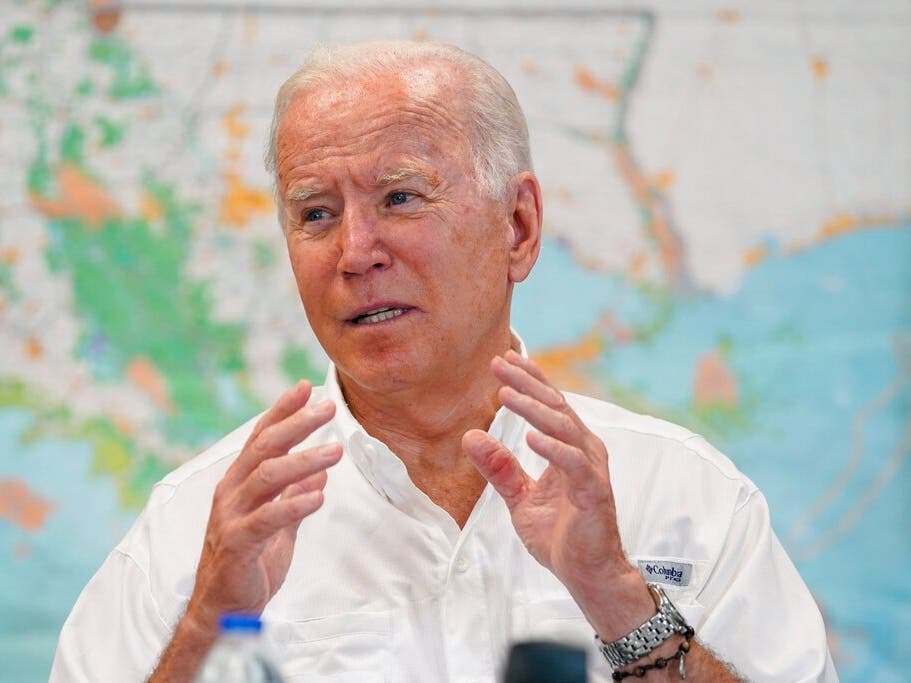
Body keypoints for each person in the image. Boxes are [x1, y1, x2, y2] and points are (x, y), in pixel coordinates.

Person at [51, 40, 837, 682]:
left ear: (519, 227)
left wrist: (619, 601)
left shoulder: (685, 496)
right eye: (316, 214)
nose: (356, 252)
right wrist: (206, 628)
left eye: (399, 197)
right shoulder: (197, 531)